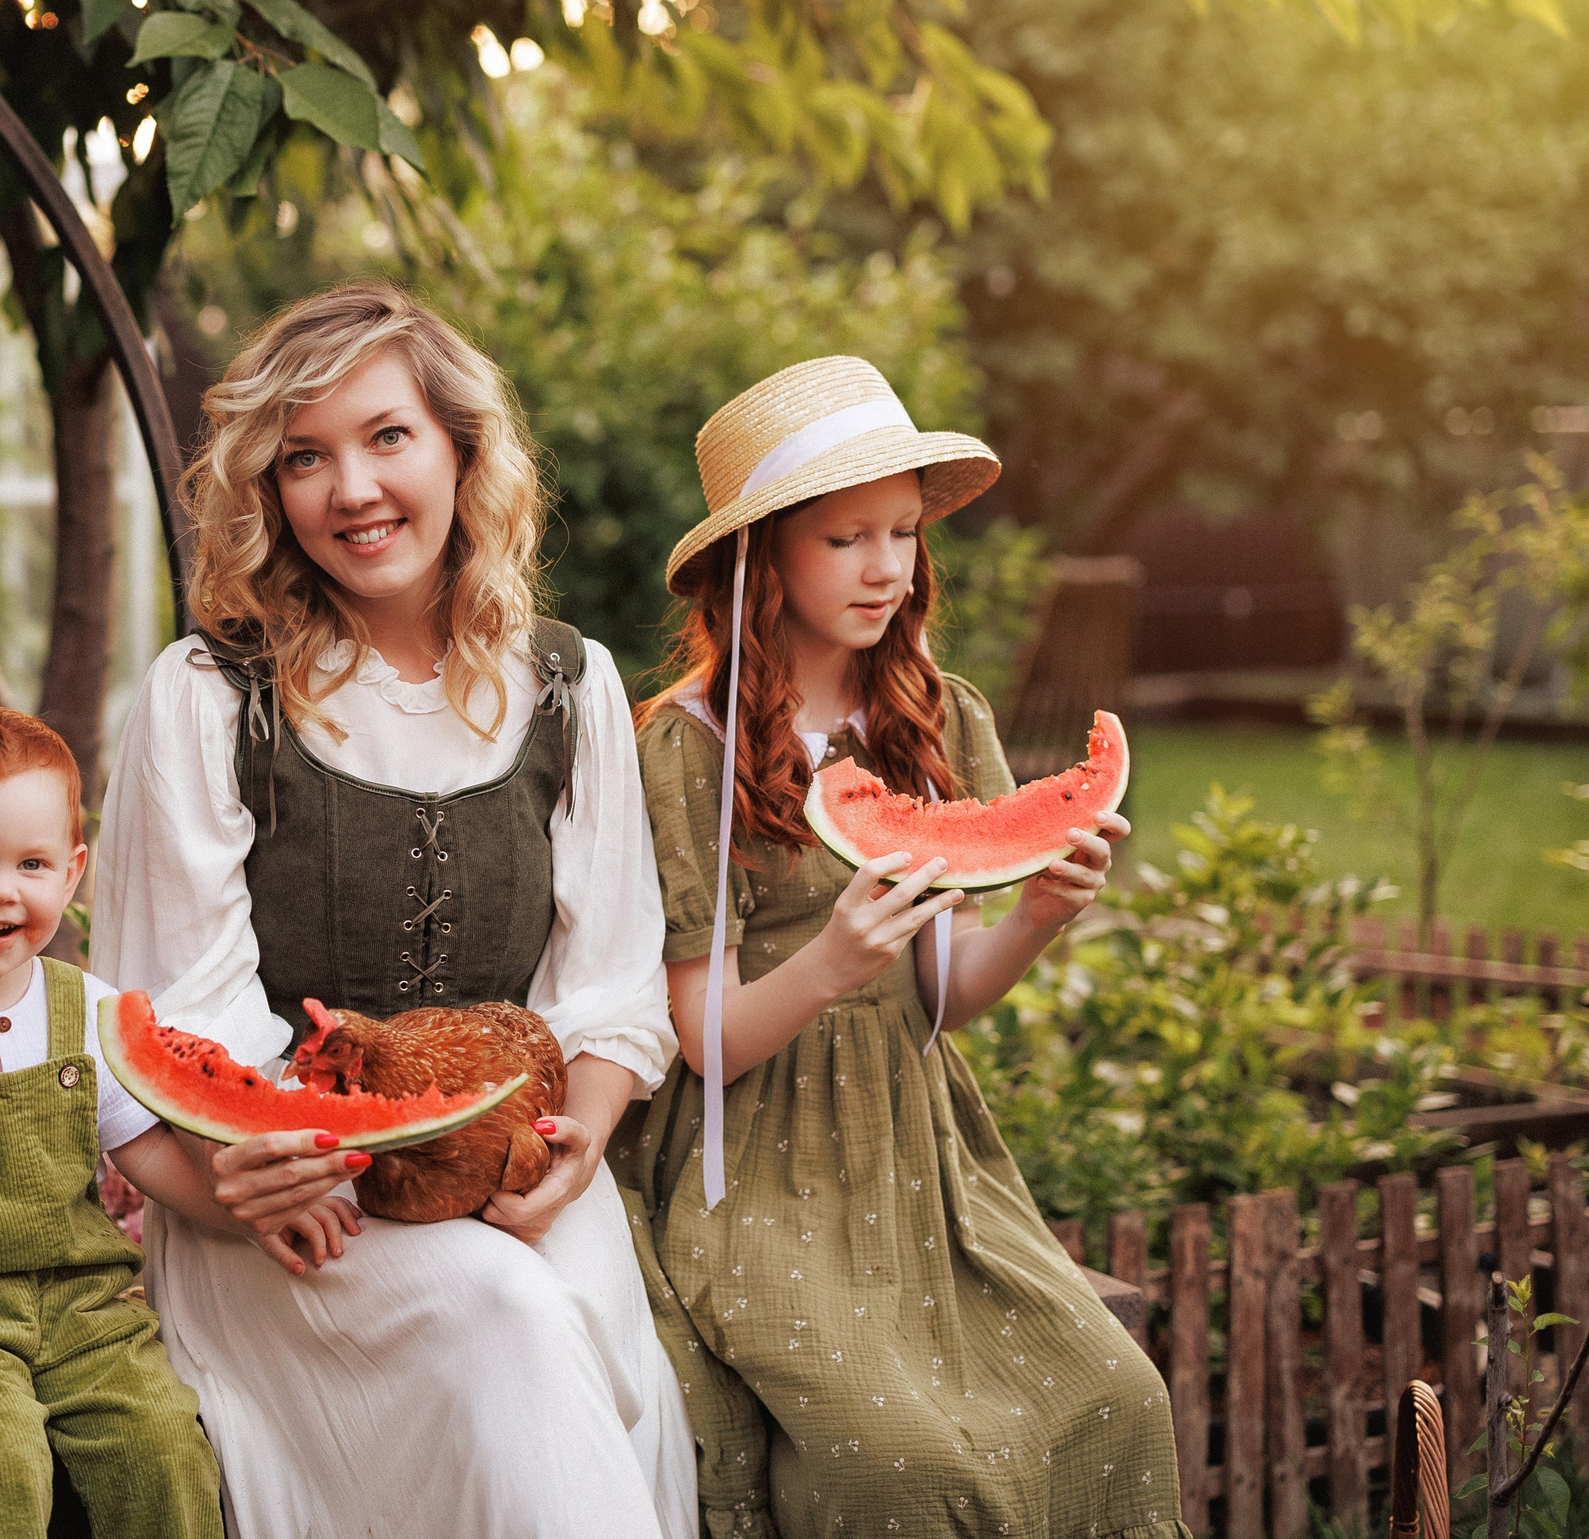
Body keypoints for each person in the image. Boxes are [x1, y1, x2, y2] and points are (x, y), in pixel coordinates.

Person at [91, 280, 697, 1539]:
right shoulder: (209, 696)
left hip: (521, 1163)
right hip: (278, 1203)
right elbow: (173, 1014)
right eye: (303, 458)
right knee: (511, 1319)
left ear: (461, 451)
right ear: (268, 493)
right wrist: (261, 1180)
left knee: (580, 1312)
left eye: (386, 437)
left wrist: (576, 1140)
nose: (350, 489)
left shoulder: (565, 683)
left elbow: (613, 983)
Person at [618, 356, 1185, 1538]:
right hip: (754, 1170)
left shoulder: (939, 715)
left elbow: (950, 992)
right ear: (760, 554)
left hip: (922, 1147)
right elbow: (701, 1043)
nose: (886, 567)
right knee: (898, 1461)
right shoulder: (681, 747)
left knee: (1118, 1398)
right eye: (844, 540)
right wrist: (827, 962)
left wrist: (1036, 913)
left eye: (902, 535)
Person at [0, 705, 359, 1539]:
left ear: (73, 873)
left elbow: (148, 1152)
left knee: (162, 1439)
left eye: (32, 863)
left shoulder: (89, 1010)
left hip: (79, 1307)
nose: (2, 888)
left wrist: (242, 1211)